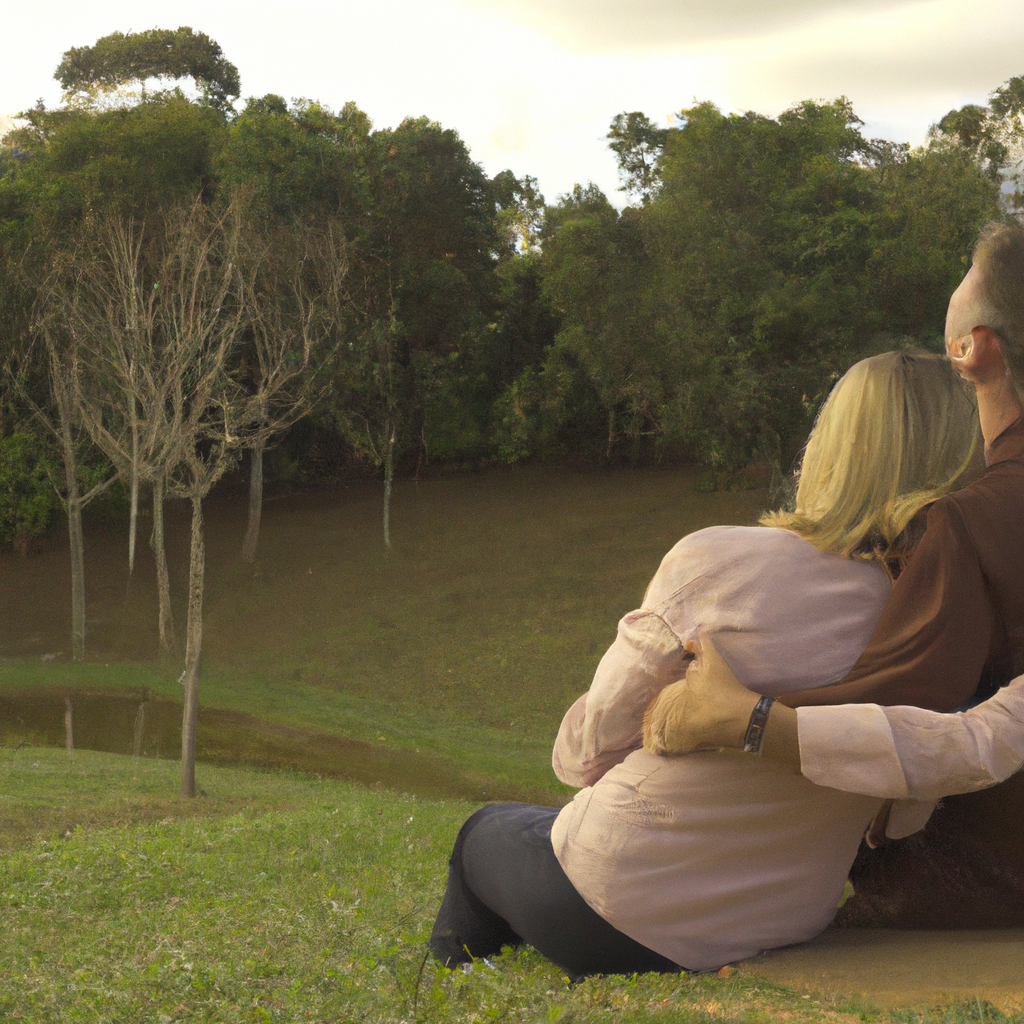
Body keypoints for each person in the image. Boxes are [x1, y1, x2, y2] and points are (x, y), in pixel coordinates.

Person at [429, 351, 979, 976]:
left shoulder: (719, 562)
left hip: (607, 900)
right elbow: (902, 815)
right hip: (784, 918)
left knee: (486, 831)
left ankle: (445, 987)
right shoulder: (943, 623)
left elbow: (590, 748)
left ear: (832, 446)